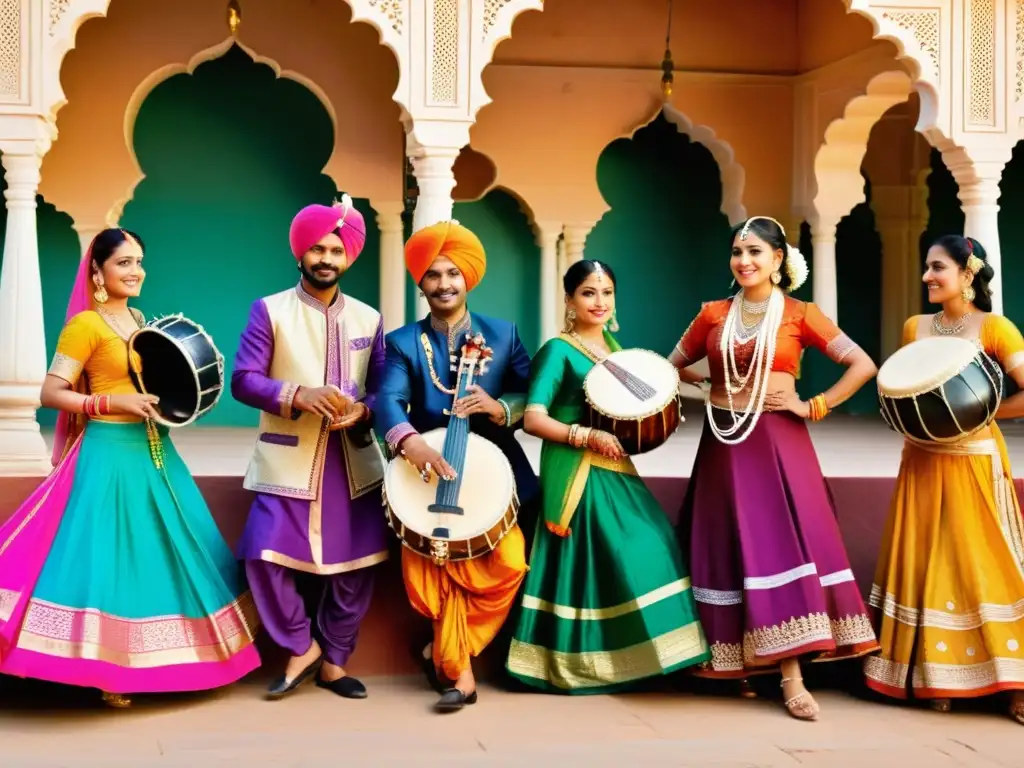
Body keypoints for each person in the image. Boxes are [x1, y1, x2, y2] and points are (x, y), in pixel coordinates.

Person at [0, 228, 259, 708]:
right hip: (110, 454)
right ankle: (107, 669)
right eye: (123, 262)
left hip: (153, 450)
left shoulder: (138, 319)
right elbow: (50, 392)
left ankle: (171, 658)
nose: (135, 270)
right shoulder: (86, 325)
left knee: (165, 549)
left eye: (139, 260)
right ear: (97, 271)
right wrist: (110, 400)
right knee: (112, 557)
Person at [670, 216, 880, 721]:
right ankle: (738, 666)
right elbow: (671, 364)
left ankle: (791, 676)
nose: (744, 261)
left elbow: (863, 364)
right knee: (727, 541)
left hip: (780, 445)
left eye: (755, 252)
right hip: (724, 444)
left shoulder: (800, 314)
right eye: (737, 252)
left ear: (778, 260)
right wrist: (710, 389)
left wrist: (817, 405)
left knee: (776, 545)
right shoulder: (712, 315)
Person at [506, 259, 711, 694]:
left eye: (607, 293)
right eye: (588, 293)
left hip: (614, 466)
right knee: (611, 552)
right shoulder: (558, 350)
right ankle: (576, 662)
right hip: (578, 469)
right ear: (569, 300)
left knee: (653, 540)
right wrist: (585, 435)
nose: (599, 301)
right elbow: (533, 418)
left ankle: (644, 657)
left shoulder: (616, 350)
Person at [376, 220, 538, 712]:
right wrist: (408, 443)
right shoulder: (403, 342)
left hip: (494, 473)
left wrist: (500, 407)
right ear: (420, 283)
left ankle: (442, 653)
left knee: (509, 563)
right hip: (425, 474)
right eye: (433, 274)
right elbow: (387, 398)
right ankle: (461, 676)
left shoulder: (503, 334)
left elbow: (534, 391)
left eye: (453, 273)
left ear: (468, 278)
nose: (444, 283)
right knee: (434, 576)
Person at [232, 196, 387, 700]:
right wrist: (297, 394)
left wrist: (363, 411)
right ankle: (302, 645)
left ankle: (335, 661)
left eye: (336, 250)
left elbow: (385, 390)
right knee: (262, 552)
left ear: (348, 258)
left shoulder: (369, 318)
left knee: (356, 565)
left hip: (352, 459)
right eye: (317, 248)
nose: (326, 258)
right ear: (301, 254)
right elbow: (243, 380)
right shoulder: (270, 310)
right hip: (288, 456)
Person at [865, 235, 1024, 725]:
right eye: (926, 268)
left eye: (937, 268)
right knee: (927, 554)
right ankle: (937, 672)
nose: (927, 277)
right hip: (921, 459)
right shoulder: (917, 327)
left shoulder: (996, 329)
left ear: (967, 273)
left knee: (983, 557)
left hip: (973, 457)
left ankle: (1014, 679)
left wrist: (981, 415)